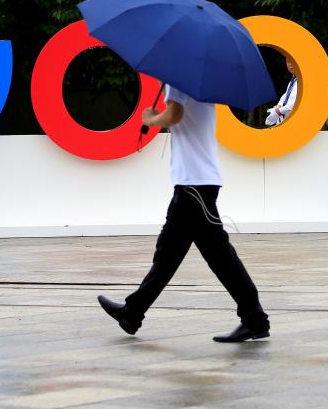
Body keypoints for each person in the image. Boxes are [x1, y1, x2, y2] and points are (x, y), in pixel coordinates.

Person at [97, 85, 270, 343]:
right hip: (194, 184)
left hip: (194, 186)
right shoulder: (200, 83)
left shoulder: (178, 81)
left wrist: (151, 119)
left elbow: (175, 115)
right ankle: (132, 313)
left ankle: (255, 319)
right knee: (168, 254)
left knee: (219, 257)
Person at [265, 57, 297, 126]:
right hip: (287, 122)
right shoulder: (293, 81)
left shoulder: (303, 81)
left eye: (293, 61)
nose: (291, 64)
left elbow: (295, 103)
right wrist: (278, 105)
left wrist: (278, 111)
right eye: (288, 61)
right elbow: (285, 96)